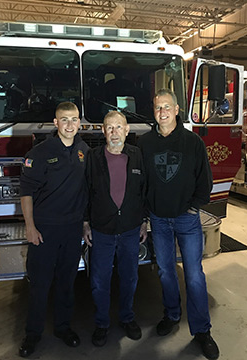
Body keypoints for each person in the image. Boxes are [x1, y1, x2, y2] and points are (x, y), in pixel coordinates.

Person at [137, 89, 219, 360]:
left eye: (167, 107)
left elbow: (204, 179)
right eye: (157, 107)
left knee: (194, 275)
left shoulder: (193, 142)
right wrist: (146, 213)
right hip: (158, 219)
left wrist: (194, 205)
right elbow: (142, 182)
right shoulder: (144, 143)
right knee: (165, 272)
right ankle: (171, 315)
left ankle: (202, 331)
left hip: (187, 218)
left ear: (176, 110)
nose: (162, 112)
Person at [18, 102, 89, 358]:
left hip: (71, 230)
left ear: (79, 122)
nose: (70, 125)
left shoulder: (84, 151)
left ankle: (63, 328)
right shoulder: (39, 152)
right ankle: (32, 334)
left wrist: (84, 223)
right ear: (55, 123)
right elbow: (26, 192)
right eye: (64, 120)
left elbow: (86, 192)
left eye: (74, 119)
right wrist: (30, 227)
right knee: (40, 285)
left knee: (67, 283)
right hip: (44, 230)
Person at [83, 110, 147, 347]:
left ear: (127, 130)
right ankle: (102, 323)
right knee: (100, 280)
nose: (114, 132)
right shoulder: (92, 157)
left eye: (118, 127)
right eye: (109, 127)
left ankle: (127, 317)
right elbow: (86, 191)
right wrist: (86, 222)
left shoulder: (137, 155)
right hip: (102, 230)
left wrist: (143, 220)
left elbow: (143, 191)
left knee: (130, 277)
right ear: (103, 131)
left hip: (131, 229)